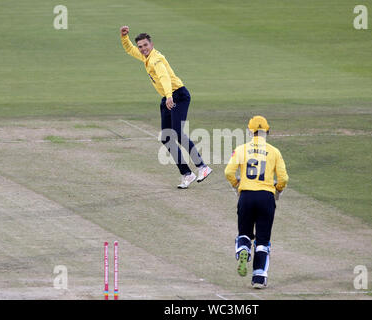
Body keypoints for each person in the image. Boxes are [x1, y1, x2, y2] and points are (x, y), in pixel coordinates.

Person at [120, 26, 212, 188]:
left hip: (178, 96)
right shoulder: (146, 57)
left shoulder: (156, 59)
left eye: (145, 45)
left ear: (152, 44)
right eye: (140, 46)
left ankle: (202, 167)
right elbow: (130, 50)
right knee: (166, 137)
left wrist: (169, 96)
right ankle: (187, 174)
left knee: (177, 132)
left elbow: (164, 78)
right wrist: (124, 36)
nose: (142, 49)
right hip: (168, 98)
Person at [224, 116, 288, 288]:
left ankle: (243, 249)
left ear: (250, 131)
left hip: (246, 196)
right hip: (266, 197)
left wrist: (237, 185)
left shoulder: (241, 149)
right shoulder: (274, 151)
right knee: (263, 240)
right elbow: (283, 178)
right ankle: (259, 277)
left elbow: (229, 171)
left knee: (244, 233)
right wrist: (278, 190)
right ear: (267, 131)